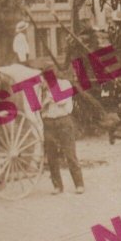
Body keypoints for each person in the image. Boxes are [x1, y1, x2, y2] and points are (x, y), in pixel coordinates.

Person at [41, 65, 84, 195]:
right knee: (51, 156)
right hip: (48, 123)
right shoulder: (42, 89)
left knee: (70, 154)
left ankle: (79, 184)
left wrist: (48, 97)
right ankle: (57, 186)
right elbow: (37, 107)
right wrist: (46, 97)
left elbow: (62, 100)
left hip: (63, 121)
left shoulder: (65, 84)